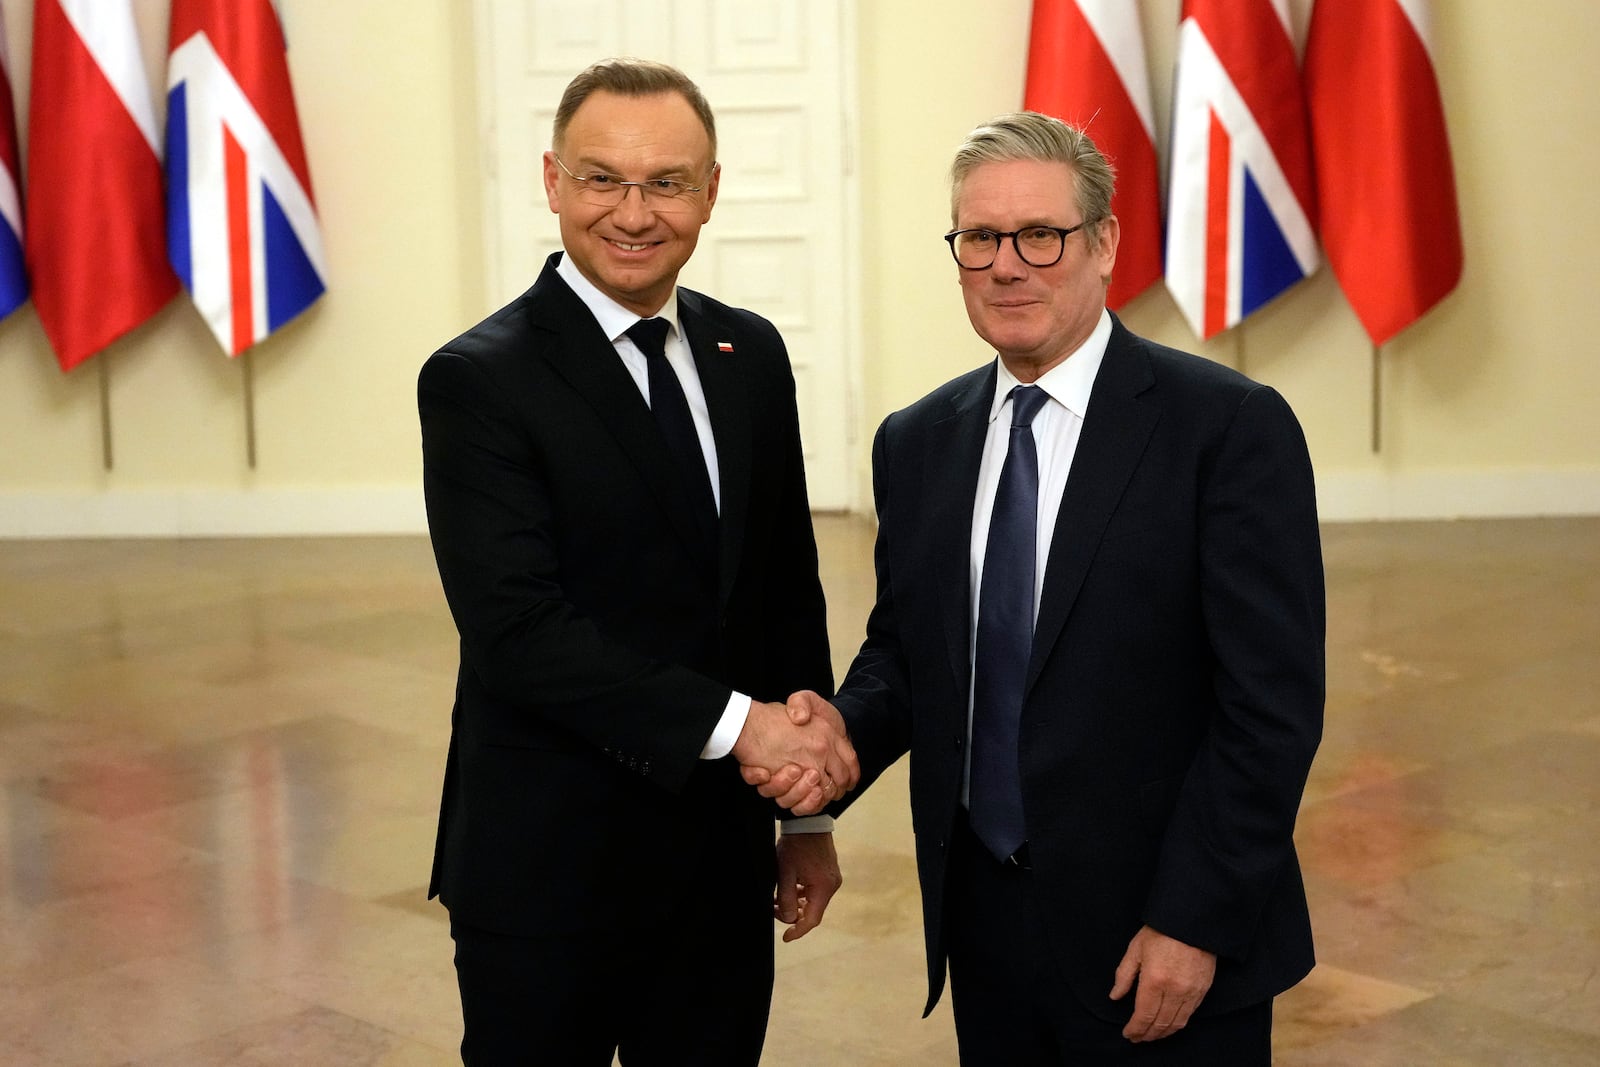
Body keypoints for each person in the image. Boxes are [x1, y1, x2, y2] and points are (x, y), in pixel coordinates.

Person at [749, 112, 1325, 1063]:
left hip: (1161, 941)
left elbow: (1269, 709)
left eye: (1039, 235)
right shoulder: (919, 439)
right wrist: (831, 749)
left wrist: (1198, 919)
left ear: (1103, 244)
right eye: (980, 238)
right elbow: (910, 651)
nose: (1007, 264)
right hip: (988, 928)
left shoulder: (1225, 428)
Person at [418, 58, 859, 1066]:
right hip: (546, 866)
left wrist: (809, 814)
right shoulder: (479, 380)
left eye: (666, 181)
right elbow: (518, 636)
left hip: (714, 866)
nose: (633, 211)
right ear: (552, 181)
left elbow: (783, 594)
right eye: (601, 177)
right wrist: (745, 725)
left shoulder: (747, 354)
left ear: (710, 190)